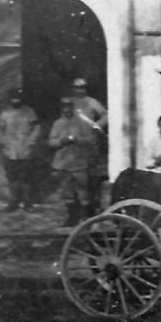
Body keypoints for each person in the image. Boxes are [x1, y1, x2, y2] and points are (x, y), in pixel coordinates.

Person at [49, 95, 101, 226]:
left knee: (83, 192)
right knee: (68, 193)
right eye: (64, 108)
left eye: (69, 108)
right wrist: (61, 141)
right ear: (61, 109)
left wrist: (78, 139)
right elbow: (51, 142)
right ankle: (72, 218)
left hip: (79, 163)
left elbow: (91, 139)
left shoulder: (82, 123)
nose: (67, 110)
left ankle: (87, 218)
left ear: (73, 108)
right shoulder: (57, 124)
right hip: (64, 164)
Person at [0, 91, 41, 212]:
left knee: (26, 179)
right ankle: (13, 202)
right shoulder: (5, 113)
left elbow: (37, 127)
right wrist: (3, 142)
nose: (16, 101)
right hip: (10, 151)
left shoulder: (28, 112)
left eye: (18, 99)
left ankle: (27, 202)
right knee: (12, 178)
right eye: (13, 99)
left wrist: (31, 141)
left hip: (25, 149)